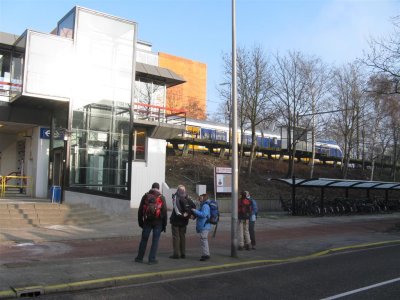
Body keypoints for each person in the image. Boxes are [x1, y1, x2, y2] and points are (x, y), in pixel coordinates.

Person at [135, 182, 167, 265]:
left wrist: (140, 222)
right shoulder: (161, 197)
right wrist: (164, 225)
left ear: (151, 187)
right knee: (155, 241)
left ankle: (139, 257)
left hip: (147, 222)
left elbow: (140, 210)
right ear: (158, 188)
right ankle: (151, 259)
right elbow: (164, 212)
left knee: (144, 239)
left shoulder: (145, 196)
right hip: (158, 222)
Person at [169, 185, 195, 259]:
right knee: (182, 237)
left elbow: (176, 209)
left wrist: (183, 215)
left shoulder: (175, 197)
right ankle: (183, 253)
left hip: (176, 220)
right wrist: (189, 216)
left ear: (178, 190)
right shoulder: (187, 198)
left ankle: (176, 254)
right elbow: (193, 207)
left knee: (176, 237)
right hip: (184, 221)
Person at [191, 193, 212, 261]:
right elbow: (200, 213)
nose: (199, 199)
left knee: (204, 240)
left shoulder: (205, 206)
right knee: (203, 240)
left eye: (200, 198)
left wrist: (195, 211)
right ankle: (206, 254)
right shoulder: (203, 205)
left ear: (204, 198)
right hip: (204, 225)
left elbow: (203, 214)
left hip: (205, 225)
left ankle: (206, 255)